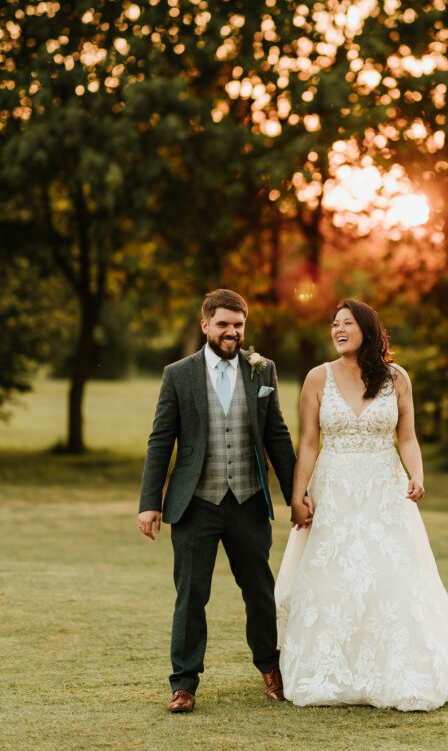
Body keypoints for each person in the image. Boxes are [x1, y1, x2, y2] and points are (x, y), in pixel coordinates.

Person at [275, 298, 448, 712]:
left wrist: (416, 475)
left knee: (393, 575)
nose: (338, 328)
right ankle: (331, 668)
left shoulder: (396, 378)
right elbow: (309, 443)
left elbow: (408, 437)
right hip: (334, 492)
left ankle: (398, 666)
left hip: (385, 490)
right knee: (333, 577)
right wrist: (298, 495)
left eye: (347, 322)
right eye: (334, 324)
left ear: (367, 329)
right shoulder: (317, 378)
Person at [138, 288, 303, 713]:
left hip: (248, 500)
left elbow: (278, 436)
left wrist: (295, 496)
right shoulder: (179, 374)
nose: (232, 332)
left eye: (238, 325)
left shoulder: (262, 369)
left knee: (260, 591)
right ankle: (184, 685)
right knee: (191, 594)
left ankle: (271, 669)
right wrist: (149, 501)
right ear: (205, 325)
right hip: (195, 502)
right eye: (224, 324)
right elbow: (161, 440)